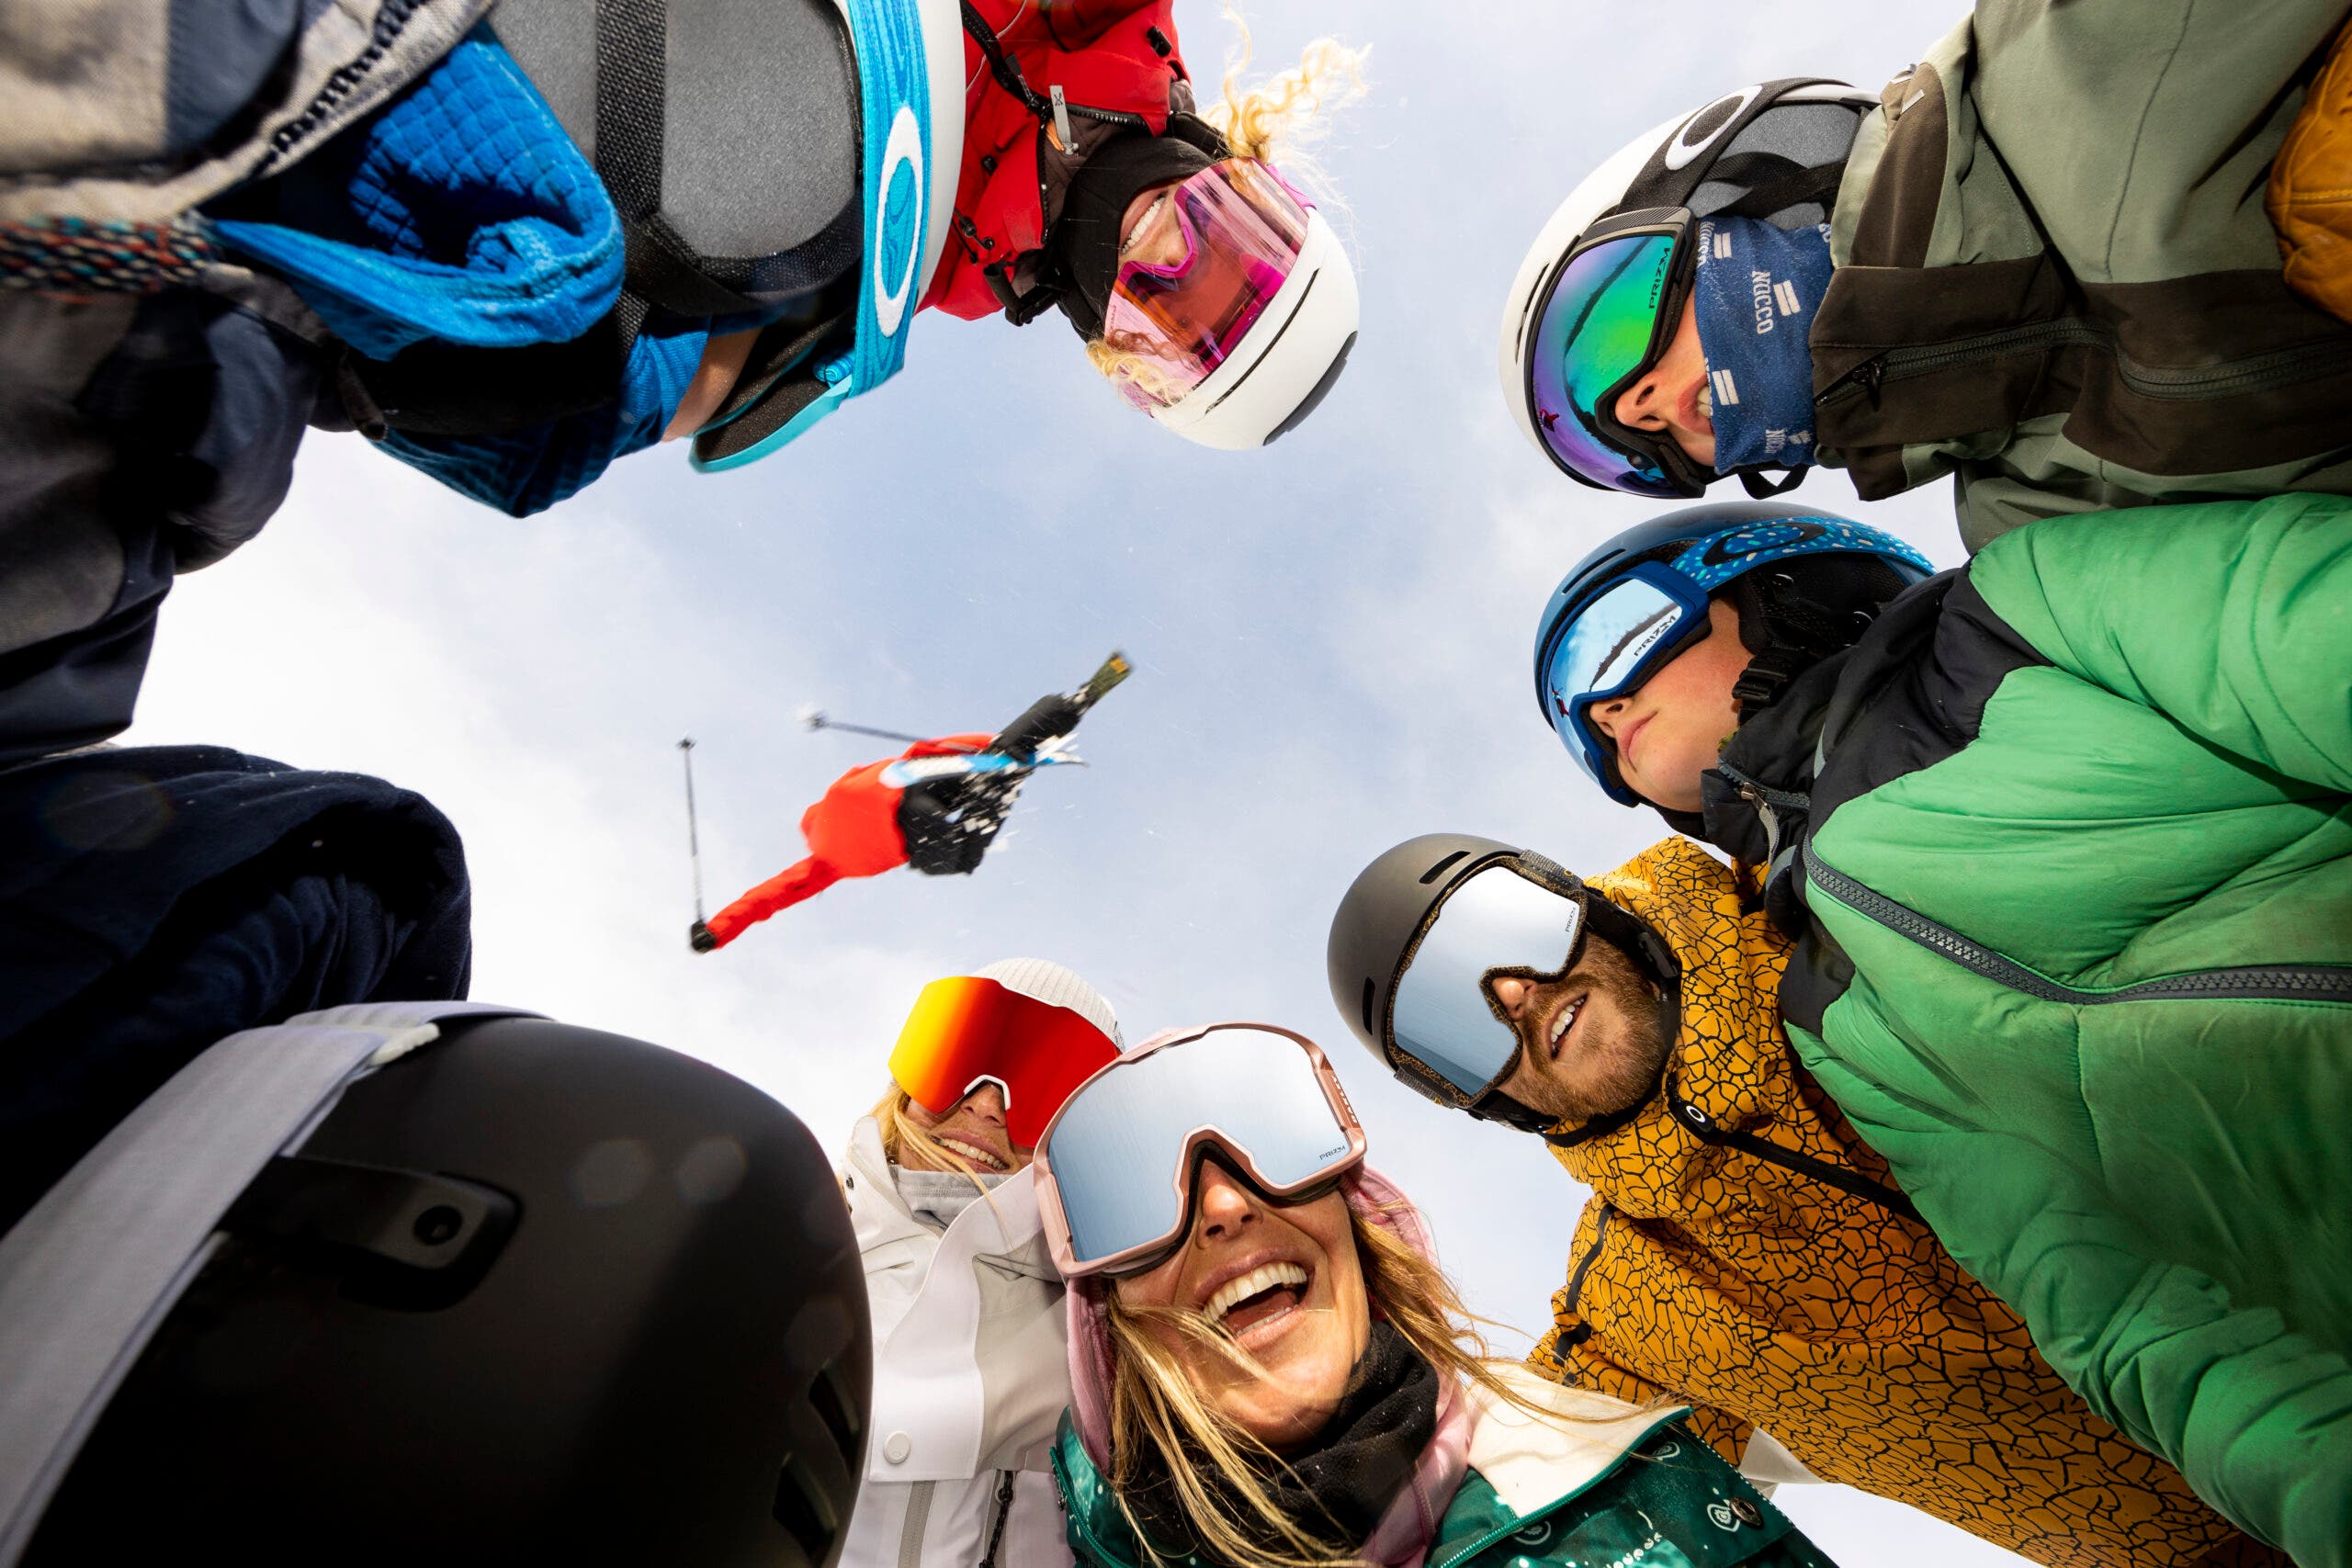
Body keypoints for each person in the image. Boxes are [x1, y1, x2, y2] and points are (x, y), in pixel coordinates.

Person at [0, 1, 1361, 768]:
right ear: (1239, 167)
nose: (1159, 260)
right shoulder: (1083, 17)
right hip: (419, 43)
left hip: (374, 199)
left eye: (1168, 326)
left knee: (210, 440)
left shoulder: (886, 295)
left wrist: (527, 385)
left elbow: (666, 399)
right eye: (1221, 243)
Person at [1521, 495, 2352, 1560]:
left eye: (1611, 641)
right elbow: (2107, 1302)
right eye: (1577, 728)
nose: (1599, 711)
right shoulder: (1829, 1007)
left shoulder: (2019, 618)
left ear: (1778, 580)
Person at [1326, 835, 2290, 1565]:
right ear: (1484, 1101)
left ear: (1583, 905)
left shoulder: (1844, 902)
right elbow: (1500, 1493)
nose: (1509, 990)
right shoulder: (1642, 1312)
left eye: (1501, 925)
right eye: (1451, 1023)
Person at [1497, 0, 2352, 549]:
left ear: (1744, 192)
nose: (1633, 413)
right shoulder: (2041, 530)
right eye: (1628, 458)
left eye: (1613, 336)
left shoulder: (2063, 43)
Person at [1032, 1020, 1837, 1568]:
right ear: (1106, 1328)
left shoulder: (1627, 1480)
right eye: (1132, 1210)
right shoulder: (1035, 1539)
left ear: (1359, 1230)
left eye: (1278, 1147)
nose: (1222, 1204)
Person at [839, 958, 1124, 1568]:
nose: (986, 1104)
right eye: (962, 1053)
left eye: (1046, 1079)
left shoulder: (1109, 1350)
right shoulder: (788, 1258)